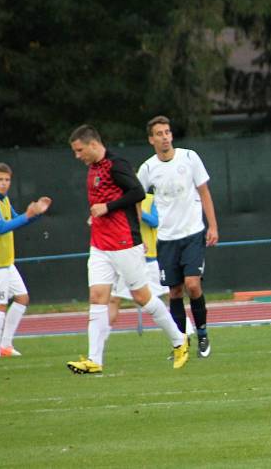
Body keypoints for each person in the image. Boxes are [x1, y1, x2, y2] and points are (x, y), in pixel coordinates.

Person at [68, 124, 189, 374]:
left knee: (142, 297)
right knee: (97, 297)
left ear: (93, 144)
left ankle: (179, 340)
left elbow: (137, 193)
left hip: (123, 242)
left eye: (79, 150)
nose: (77, 155)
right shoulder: (93, 169)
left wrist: (108, 208)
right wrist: (96, 216)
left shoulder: (117, 165)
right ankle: (94, 360)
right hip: (99, 244)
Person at [138, 116, 219, 359]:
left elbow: (204, 192)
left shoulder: (189, 157)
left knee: (193, 285)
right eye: (159, 134)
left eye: (167, 132)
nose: (165, 137)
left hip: (193, 233)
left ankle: (203, 333)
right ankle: (181, 340)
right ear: (151, 139)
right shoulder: (148, 168)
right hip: (166, 239)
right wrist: (137, 232)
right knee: (174, 292)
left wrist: (212, 226)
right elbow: (135, 198)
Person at [0, 163, 51, 358]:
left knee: (22, 298)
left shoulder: (4, 200)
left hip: (5, 262)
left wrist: (35, 214)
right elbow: (0, 228)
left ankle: (5, 345)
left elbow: (17, 220)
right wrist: (28, 215)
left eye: (7, 180)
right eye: (0, 179)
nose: (4, 183)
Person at [106, 193, 194, 342]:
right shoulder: (114, 201)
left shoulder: (150, 199)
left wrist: (139, 211)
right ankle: (100, 341)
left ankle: (186, 330)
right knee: (114, 299)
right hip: (126, 257)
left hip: (150, 259)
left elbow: (155, 221)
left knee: (169, 295)